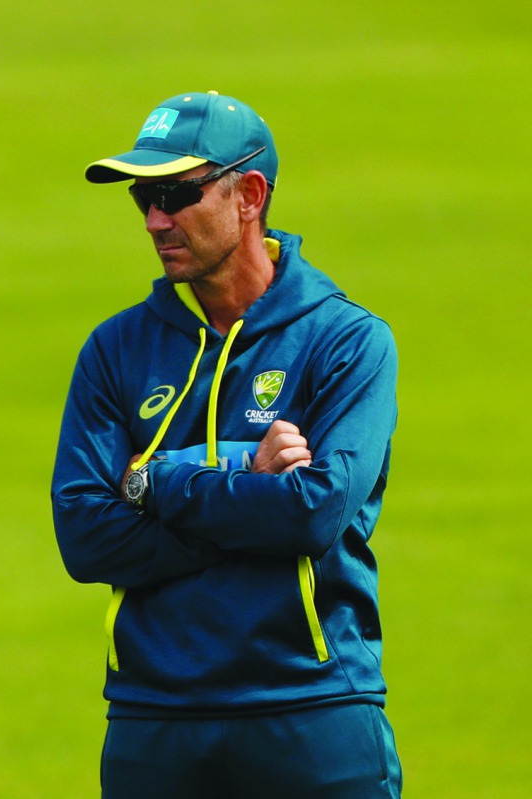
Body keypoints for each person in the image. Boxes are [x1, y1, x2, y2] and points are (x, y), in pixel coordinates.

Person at [51, 91, 402, 797]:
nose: (154, 220)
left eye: (176, 194)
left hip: (313, 712)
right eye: (143, 197)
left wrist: (154, 481)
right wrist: (248, 475)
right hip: (154, 723)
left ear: (249, 196)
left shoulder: (347, 341)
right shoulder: (115, 349)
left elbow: (312, 513)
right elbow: (85, 538)